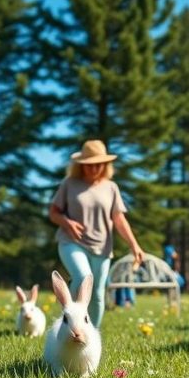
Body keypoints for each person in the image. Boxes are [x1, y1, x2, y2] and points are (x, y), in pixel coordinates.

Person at [49, 140, 144, 328]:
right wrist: (67, 223)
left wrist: (134, 245)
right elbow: (53, 212)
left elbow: (119, 219)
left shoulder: (111, 188)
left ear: (106, 165)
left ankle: (91, 334)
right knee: (83, 276)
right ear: (81, 165)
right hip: (72, 242)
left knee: (98, 293)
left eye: (98, 164)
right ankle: (69, 323)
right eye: (89, 165)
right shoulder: (69, 184)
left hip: (102, 247)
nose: (94, 169)